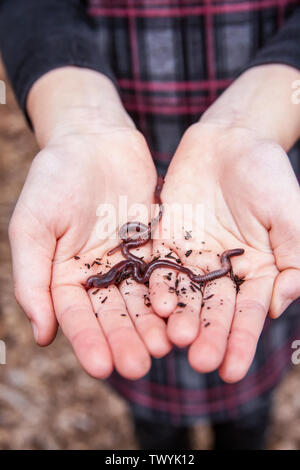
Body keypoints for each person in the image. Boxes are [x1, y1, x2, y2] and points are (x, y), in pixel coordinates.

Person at [0, 0, 300, 450]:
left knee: (246, 395)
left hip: (249, 206)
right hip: (116, 117)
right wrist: (78, 121)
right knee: (155, 416)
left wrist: (256, 122)